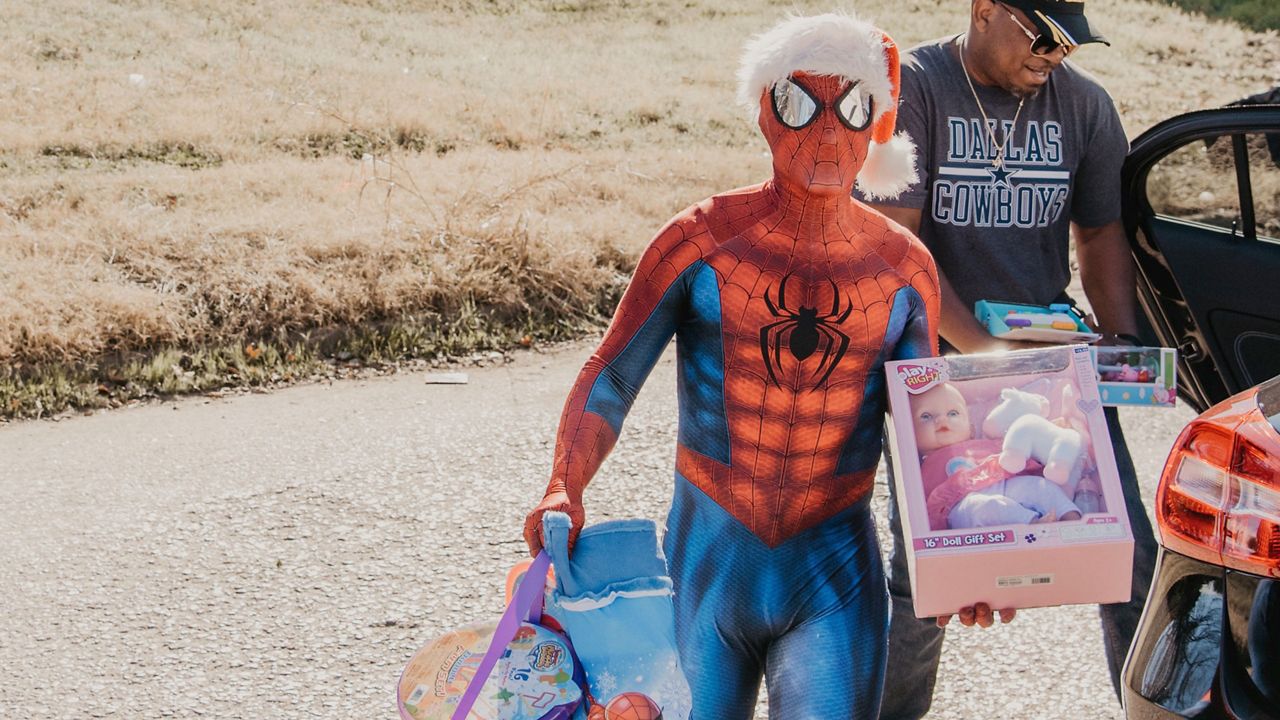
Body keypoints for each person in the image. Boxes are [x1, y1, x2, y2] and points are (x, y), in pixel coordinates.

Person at [523, 13, 939, 718]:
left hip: (833, 568)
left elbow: (933, 435)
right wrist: (565, 485)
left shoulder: (904, 271)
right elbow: (615, 373)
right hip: (705, 560)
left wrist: (973, 564)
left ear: (877, 123)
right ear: (764, 115)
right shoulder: (702, 241)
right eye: (800, 105)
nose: (826, 132)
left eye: (852, 107)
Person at [857, 1, 1159, 716]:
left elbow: (1103, 237)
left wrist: (1121, 353)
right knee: (926, 574)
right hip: (929, 366)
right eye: (1043, 38)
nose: (1055, 57)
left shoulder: (1084, 107)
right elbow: (897, 249)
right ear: (986, 9)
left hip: (1052, 368)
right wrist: (986, 354)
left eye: (1069, 45)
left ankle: (1159, 706)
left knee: (1130, 555)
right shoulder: (915, 89)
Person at [909, 381, 1082, 530]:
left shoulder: (981, 444)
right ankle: (1035, 526)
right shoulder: (921, 466)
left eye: (953, 413)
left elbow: (1019, 446)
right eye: (926, 416)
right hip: (960, 505)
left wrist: (1050, 431)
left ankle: (1073, 520)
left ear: (971, 427)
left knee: (1038, 486)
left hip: (1002, 485)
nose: (942, 420)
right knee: (988, 507)